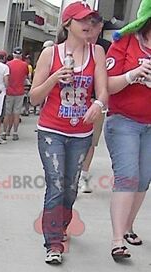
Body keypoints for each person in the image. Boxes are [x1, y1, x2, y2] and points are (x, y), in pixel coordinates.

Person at [29, 1, 108, 265]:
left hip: (81, 133)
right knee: (56, 183)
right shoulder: (50, 54)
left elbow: (103, 92)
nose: (89, 26)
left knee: (71, 187)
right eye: (83, 21)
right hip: (51, 130)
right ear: (67, 24)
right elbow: (33, 98)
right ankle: (53, 241)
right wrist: (53, 79)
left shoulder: (96, 52)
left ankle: (61, 225)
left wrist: (97, 105)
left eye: (93, 22)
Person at [104, 0, 151, 261]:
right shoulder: (125, 42)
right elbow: (108, 85)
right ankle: (117, 239)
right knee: (128, 176)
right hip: (123, 121)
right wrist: (133, 75)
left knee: (144, 179)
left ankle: (128, 226)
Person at [78, 13, 111, 193]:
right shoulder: (74, 45)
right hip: (74, 101)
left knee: (91, 141)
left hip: (96, 101)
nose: (89, 29)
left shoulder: (106, 48)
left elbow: (107, 78)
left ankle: (83, 174)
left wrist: (99, 100)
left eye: (93, 25)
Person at [4, 47, 30, 140]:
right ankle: (15, 132)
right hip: (20, 91)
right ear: (21, 55)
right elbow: (26, 76)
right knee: (16, 113)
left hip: (9, 91)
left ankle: (5, 132)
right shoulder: (24, 65)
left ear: (13, 54)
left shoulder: (8, 64)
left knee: (7, 113)